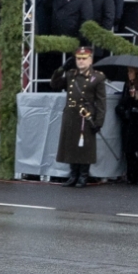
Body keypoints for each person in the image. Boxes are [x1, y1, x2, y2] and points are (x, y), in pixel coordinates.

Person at [49, 45, 106, 186]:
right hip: (71, 114)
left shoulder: (97, 78)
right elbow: (54, 84)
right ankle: (73, 175)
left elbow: (101, 102)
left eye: (84, 59)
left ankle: (83, 176)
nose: (81, 61)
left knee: (85, 147)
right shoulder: (70, 75)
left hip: (86, 116)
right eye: (78, 58)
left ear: (90, 60)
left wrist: (98, 122)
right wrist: (61, 69)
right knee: (71, 146)